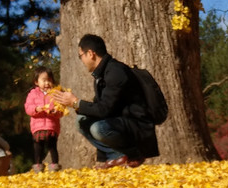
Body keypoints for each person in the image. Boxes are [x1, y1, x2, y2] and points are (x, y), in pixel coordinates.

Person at [50, 34, 159, 168]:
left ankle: (134, 153)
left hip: (136, 123)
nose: (81, 60)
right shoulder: (102, 73)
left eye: (81, 56)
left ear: (90, 54)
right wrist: (73, 104)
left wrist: (75, 102)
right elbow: (98, 107)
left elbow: (104, 110)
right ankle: (115, 155)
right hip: (120, 120)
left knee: (98, 128)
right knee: (81, 121)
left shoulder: (116, 72)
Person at [25, 69, 64, 172]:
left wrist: (55, 112)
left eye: (49, 80)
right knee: (38, 146)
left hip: (52, 125)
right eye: (44, 80)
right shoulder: (33, 94)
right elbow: (28, 108)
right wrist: (36, 109)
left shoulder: (55, 93)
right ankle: (38, 165)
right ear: (36, 82)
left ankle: (54, 164)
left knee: (52, 146)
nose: (47, 83)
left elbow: (61, 110)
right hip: (38, 126)